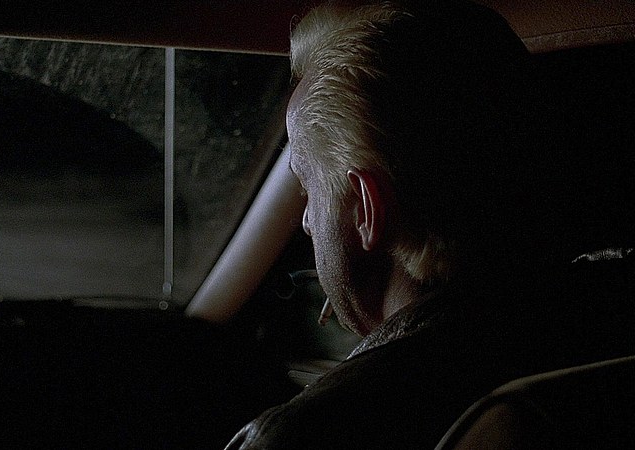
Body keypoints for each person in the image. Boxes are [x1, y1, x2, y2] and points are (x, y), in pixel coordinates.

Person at [226, 1, 576, 448]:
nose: (307, 222)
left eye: (308, 188)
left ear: (365, 209)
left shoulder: (307, 435)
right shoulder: (613, 327)